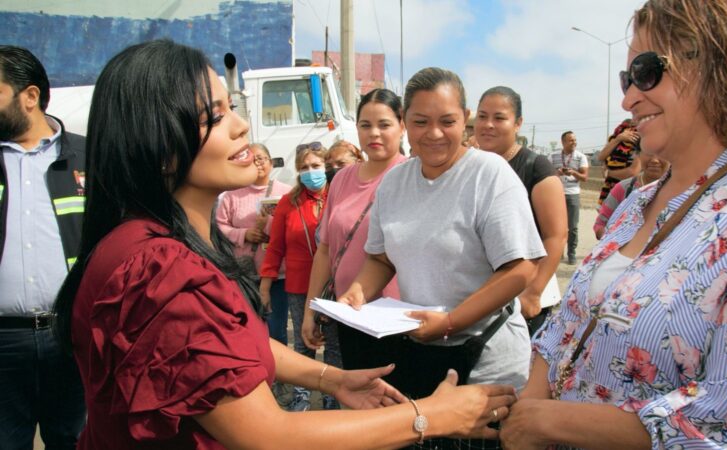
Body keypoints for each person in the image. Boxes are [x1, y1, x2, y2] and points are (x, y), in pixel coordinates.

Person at [53, 39, 516, 450]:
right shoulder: (158, 269)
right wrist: (430, 417)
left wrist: (332, 379)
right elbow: (268, 434)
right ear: (156, 145)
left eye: (231, 106)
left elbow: (223, 346)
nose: (239, 125)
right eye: (213, 117)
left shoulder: (163, 244)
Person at [500, 1, 727, 449]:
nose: (627, 98)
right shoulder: (636, 203)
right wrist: (528, 415)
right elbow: (565, 326)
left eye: (644, 72)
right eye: (627, 80)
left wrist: (549, 422)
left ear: (718, 64)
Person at [339, 68, 545, 450]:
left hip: (486, 362)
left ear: (464, 118)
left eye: (447, 121)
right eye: (420, 122)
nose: (433, 134)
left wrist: (451, 321)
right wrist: (357, 292)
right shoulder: (395, 183)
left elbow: (520, 268)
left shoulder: (489, 174)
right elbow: (381, 259)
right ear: (405, 124)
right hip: (421, 352)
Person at [0, 45, 86, 449]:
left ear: (30, 96)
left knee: (75, 440)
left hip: (72, 337)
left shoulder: (89, 155)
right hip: (3, 342)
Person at [301, 89, 406, 372]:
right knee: (357, 400)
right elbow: (325, 250)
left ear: (402, 126)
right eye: (365, 125)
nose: (374, 133)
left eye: (384, 125)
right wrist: (311, 309)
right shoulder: (341, 179)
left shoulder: (412, 177)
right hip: (349, 315)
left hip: (396, 321)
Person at [474, 86, 567, 335]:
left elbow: (555, 235)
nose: (488, 125)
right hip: (478, 300)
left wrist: (533, 292)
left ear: (518, 123)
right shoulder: (470, 165)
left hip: (521, 303)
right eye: (482, 116)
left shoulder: (536, 168)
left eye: (499, 118)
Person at [259, 142, 342, 411]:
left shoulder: (337, 196)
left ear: (326, 167)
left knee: (333, 345)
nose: (310, 172)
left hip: (335, 284)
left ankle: (332, 396)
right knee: (304, 344)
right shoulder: (288, 202)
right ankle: (302, 397)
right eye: (304, 168)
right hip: (298, 286)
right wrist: (265, 284)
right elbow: (275, 248)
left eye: (316, 166)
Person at [215, 143, 292, 346]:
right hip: (244, 273)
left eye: (262, 158)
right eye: (253, 159)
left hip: (277, 274)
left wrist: (268, 226)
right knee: (248, 326)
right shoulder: (231, 195)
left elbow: (294, 228)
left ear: (271, 161)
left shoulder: (287, 193)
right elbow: (219, 227)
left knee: (276, 328)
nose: (258, 163)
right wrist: (244, 234)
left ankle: (279, 374)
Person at [593, 150, 669, 239]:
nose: (655, 160)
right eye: (648, 153)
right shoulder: (623, 188)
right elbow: (600, 224)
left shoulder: (683, 193)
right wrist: (612, 242)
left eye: (662, 153)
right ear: (639, 155)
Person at [550, 131, 589, 265]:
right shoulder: (553, 156)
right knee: (556, 225)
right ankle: (557, 252)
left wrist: (574, 172)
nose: (574, 143)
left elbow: (585, 177)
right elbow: (546, 176)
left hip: (573, 193)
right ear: (563, 142)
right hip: (556, 193)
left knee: (572, 226)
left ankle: (571, 253)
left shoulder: (581, 157)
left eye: (575, 140)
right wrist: (557, 173)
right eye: (571, 140)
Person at [595, 119, 642, 206]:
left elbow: (632, 173)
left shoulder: (641, 143)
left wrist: (609, 173)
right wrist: (618, 139)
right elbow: (601, 157)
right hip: (610, 191)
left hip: (629, 192)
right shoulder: (617, 141)